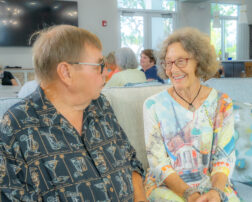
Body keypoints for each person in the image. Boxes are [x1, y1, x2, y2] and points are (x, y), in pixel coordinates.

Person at [0, 25, 147, 201]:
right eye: (99, 65)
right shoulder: (17, 125)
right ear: (66, 72)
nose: (106, 73)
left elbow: (131, 160)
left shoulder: (100, 105)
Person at [143, 27, 240, 202]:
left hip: (212, 185)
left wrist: (216, 192)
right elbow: (158, 163)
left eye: (180, 61)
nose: (173, 70)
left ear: (199, 61)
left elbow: (224, 157)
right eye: (168, 62)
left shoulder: (222, 102)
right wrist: (190, 194)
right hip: (167, 185)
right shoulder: (153, 105)